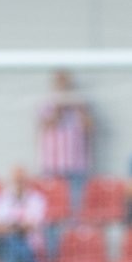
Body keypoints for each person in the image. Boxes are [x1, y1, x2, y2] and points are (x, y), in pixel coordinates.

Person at [38, 70, 93, 218]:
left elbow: (90, 128)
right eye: (60, 83)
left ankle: (73, 230)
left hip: (76, 165)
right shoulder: (47, 104)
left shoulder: (79, 104)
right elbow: (46, 125)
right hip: (53, 166)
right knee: (52, 208)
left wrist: (79, 109)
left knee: (76, 207)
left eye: (66, 83)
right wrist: (59, 106)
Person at [0, 166, 47, 262]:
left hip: (29, 242)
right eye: (16, 179)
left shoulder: (37, 198)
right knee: (13, 245)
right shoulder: (1, 198)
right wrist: (14, 228)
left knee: (16, 247)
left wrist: (11, 227)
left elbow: (32, 225)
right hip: (2, 241)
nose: (19, 182)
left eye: (21, 179)